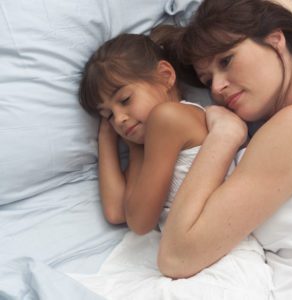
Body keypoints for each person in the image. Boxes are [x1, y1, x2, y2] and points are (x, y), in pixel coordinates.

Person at [77, 33, 273, 299]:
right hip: (197, 252)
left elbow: (140, 221)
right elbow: (116, 212)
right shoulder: (156, 139)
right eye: (108, 115)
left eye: (125, 100)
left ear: (166, 76)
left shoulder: (168, 118)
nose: (120, 120)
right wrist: (107, 136)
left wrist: (132, 146)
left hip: (219, 257)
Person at [152, 0, 292, 299]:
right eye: (207, 81)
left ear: (276, 38)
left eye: (226, 60)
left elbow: (177, 256)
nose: (217, 88)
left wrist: (225, 135)